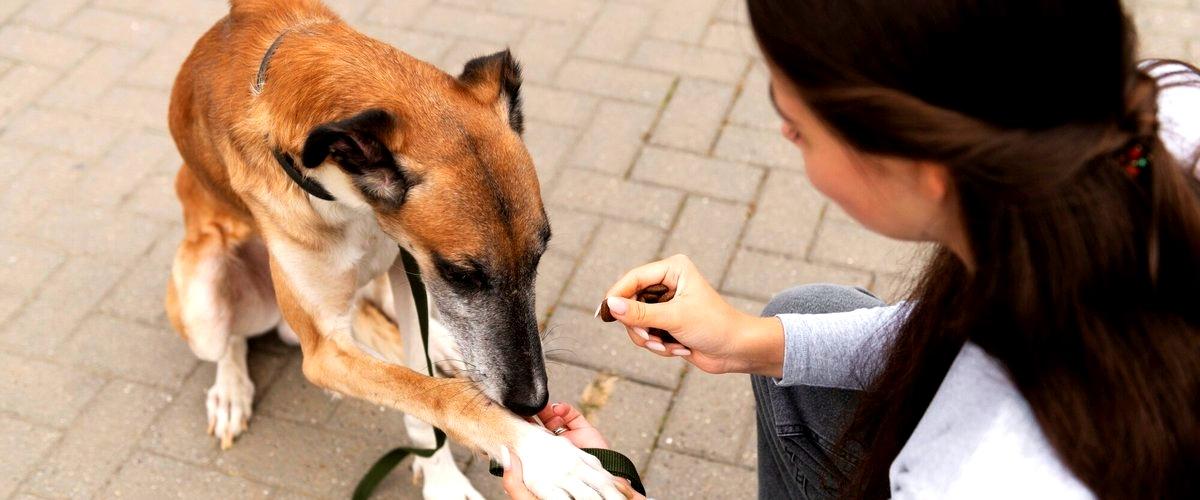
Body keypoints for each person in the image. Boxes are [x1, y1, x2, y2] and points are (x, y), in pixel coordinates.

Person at [504, 0, 1200, 498]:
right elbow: (957, 339)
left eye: (797, 125)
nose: (783, 133)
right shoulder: (1143, 118)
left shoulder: (987, 476)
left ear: (920, 168)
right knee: (807, 326)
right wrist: (749, 340)